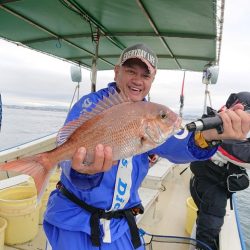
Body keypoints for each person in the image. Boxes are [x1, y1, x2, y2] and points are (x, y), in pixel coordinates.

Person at [43, 43, 250, 250]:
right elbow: (67, 152)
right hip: (76, 221)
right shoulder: (91, 105)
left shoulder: (149, 114)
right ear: (117, 72)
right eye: (130, 71)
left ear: (152, 80)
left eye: (145, 75)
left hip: (120, 225)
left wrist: (211, 135)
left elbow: (180, 145)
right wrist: (83, 173)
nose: (137, 80)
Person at [190, 91, 250, 250]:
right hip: (210, 185)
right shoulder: (219, 127)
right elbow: (239, 155)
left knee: (206, 217)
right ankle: (202, 246)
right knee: (210, 223)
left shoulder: (220, 119)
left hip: (209, 181)